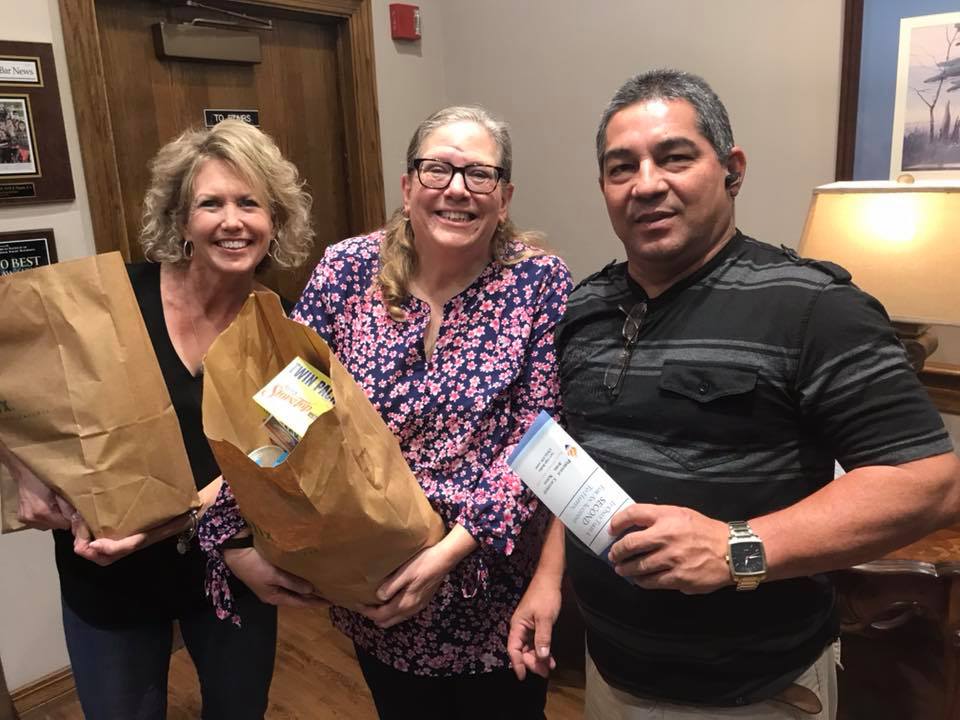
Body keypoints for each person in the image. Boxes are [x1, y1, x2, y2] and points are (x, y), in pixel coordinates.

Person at [508, 69, 960, 719]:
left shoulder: (813, 307)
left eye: (675, 157)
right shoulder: (584, 308)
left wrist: (736, 548)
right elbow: (576, 466)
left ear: (732, 170)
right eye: (621, 167)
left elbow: (929, 483)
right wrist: (547, 580)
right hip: (611, 677)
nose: (646, 184)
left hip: (756, 693)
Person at [200, 105, 572, 719]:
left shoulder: (538, 282)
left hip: (491, 588)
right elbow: (290, 411)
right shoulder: (347, 271)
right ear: (407, 188)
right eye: (436, 170)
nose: (457, 189)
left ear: (504, 198)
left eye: (479, 174)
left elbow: (542, 436)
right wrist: (234, 535)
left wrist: (447, 553)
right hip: (374, 584)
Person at [1, 118, 316, 719]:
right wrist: (25, 473)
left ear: (276, 221)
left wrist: (195, 520)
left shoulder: (292, 333)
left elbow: (278, 452)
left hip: (232, 565)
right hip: (109, 576)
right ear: (180, 219)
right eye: (211, 204)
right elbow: (11, 382)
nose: (232, 221)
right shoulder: (106, 303)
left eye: (250, 203)